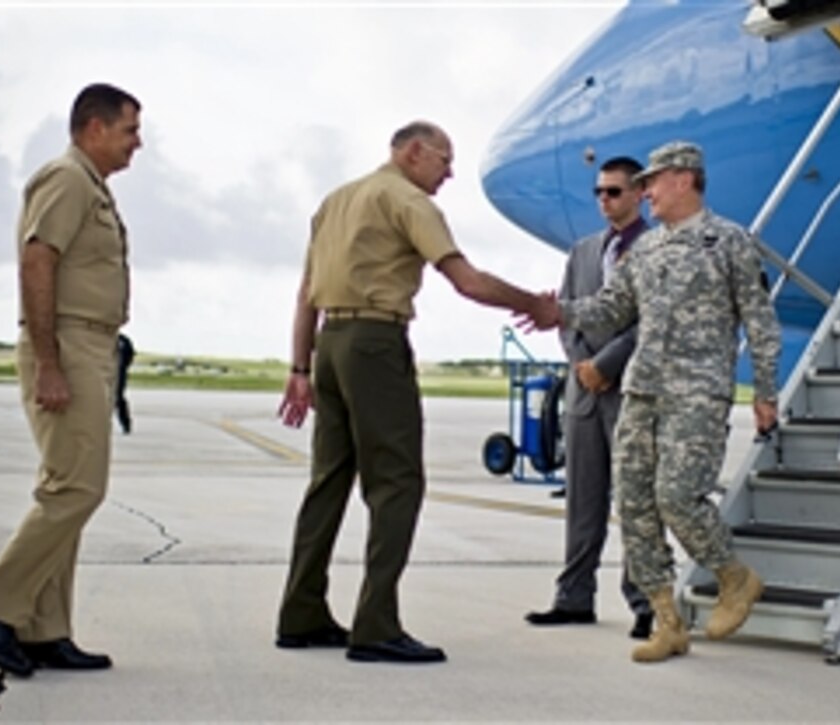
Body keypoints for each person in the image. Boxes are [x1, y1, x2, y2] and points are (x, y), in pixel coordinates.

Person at [275, 121, 552, 664]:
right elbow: (468, 282)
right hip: (376, 342)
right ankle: (376, 625)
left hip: (330, 343)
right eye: (445, 160)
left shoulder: (336, 200)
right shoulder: (406, 199)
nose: (449, 172)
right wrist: (537, 305)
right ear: (413, 152)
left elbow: (307, 291)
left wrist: (299, 366)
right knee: (398, 481)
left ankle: (300, 614)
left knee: (327, 483)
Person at [518, 140, 781, 663]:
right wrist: (559, 313)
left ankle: (734, 576)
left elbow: (760, 320)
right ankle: (667, 621)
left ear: (683, 180)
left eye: (651, 182)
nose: (645, 193)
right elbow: (611, 307)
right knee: (635, 503)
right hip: (642, 390)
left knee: (678, 496)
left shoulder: (729, 242)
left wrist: (766, 391)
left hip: (697, 392)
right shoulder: (646, 249)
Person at [0, 83, 142, 677]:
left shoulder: (91, 187)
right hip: (66, 343)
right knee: (76, 491)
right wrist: (51, 362)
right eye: (130, 130)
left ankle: (44, 629)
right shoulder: (66, 179)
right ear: (94, 127)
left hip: (90, 344)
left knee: (70, 488)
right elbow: (38, 261)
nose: (138, 143)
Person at [525, 157, 653, 639]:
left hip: (630, 392)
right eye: (599, 192)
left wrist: (607, 366)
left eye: (614, 192)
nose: (604, 200)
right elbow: (567, 315)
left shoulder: (656, 250)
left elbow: (650, 322)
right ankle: (573, 598)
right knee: (583, 501)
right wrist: (582, 365)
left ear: (639, 193)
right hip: (583, 393)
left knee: (637, 503)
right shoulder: (581, 252)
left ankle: (644, 602)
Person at [115, 333, 134, 434]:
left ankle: (126, 423)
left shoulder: (123, 340)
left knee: (119, 398)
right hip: (107, 371)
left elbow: (130, 356)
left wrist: (123, 367)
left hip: (120, 373)